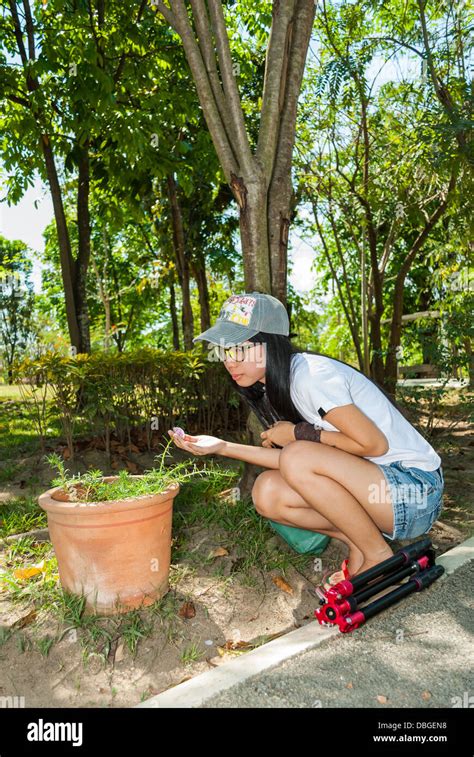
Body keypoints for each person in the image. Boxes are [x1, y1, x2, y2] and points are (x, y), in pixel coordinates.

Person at [168, 291, 444, 589]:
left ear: (270, 344)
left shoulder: (309, 376)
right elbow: (296, 463)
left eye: (240, 349)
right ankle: (360, 543)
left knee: (295, 456)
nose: (229, 361)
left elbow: (374, 446)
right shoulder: (277, 386)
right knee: (267, 492)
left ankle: (377, 555)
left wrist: (299, 434)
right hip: (381, 491)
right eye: (224, 350)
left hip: (416, 490)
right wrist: (222, 447)